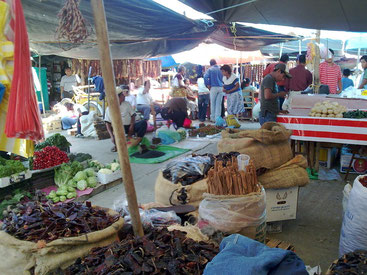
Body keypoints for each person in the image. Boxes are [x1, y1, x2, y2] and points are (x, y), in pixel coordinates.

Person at [105, 87, 147, 152]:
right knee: (119, 138)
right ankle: (120, 145)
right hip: (118, 129)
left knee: (143, 123)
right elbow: (107, 123)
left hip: (129, 126)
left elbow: (133, 115)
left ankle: (137, 141)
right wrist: (111, 137)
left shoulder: (127, 104)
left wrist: (131, 126)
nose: (124, 96)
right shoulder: (109, 108)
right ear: (117, 97)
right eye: (122, 95)